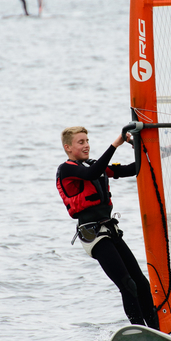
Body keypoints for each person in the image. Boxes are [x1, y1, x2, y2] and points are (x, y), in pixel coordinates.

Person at [56, 126, 160, 329]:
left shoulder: (95, 165)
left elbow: (132, 169)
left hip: (109, 231)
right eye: (81, 142)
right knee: (127, 285)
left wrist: (140, 145)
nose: (86, 145)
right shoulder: (66, 169)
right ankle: (141, 331)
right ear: (68, 148)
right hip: (92, 235)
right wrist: (116, 143)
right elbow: (91, 173)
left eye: (87, 141)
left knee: (142, 284)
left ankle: (159, 332)